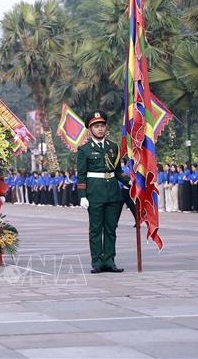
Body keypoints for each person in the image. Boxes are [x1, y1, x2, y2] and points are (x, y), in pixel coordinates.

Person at [76, 110, 129, 274]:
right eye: (96, 126)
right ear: (90, 129)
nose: (100, 129)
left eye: (102, 125)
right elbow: (81, 175)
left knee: (111, 228)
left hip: (113, 192)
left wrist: (131, 182)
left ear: (106, 127)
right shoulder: (84, 150)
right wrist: (82, 196)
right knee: (96, 229)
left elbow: (118, 171)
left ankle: (109, 260)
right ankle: (97, 261)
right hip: (95, 192)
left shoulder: (113, 147)